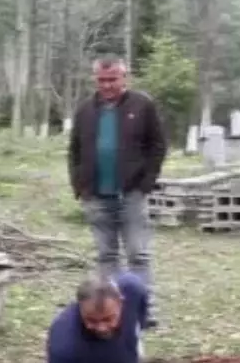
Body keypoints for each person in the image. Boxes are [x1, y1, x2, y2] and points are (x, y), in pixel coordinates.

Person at [67, 56, 167, 328]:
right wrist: (80, 185)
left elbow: (157, 146)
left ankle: (143, 311)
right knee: (106, 256)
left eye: (113, 79)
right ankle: (112, 310)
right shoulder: (86, 109)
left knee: (138, 254)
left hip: (131, 195)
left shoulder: (142, 105)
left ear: (125, 78)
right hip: (96, 196)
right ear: (95, 79)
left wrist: (146, 182)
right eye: (102, 79)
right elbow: (74, 149)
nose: (107, 85)